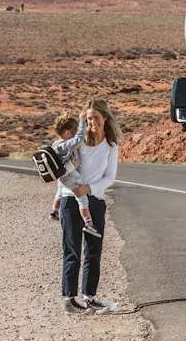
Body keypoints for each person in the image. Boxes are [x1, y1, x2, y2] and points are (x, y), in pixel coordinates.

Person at [55, 99, 120, 314]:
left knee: (94, 252)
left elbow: (110, 178)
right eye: (88, 118)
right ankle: (69, 300)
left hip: (95, 200)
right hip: (70, 199)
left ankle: (89, 297)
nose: (92, 122)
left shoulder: (111, 145)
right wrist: (78, 189)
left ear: (105, 118)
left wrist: (89, 189)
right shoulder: (78, 141)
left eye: (96, 118)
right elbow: (64, 167)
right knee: (72, 250)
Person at [47, 113, 101, 237]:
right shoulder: (67, 144)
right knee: (82, 199)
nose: (75, 133)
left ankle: (54, 212)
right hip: (70, 176)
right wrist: (82, 122)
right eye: (74, 131)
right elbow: (79, 138)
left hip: (62, 177)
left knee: (60, 191)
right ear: (67, 132)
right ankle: (89, 225)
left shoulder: (55, 144)